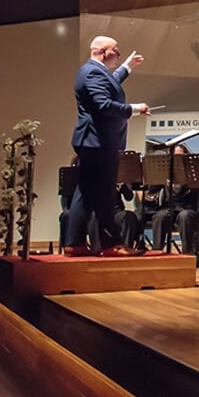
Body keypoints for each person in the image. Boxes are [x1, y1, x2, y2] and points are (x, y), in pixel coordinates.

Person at [67, 35, 149, 256]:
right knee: (104, 193)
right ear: (103, 51)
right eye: (116, 50)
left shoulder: (93, 71)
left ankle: (73, 242)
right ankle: (110, 244)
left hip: (92, 141)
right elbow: (103, 104)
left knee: (84, 191)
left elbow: (108, 83)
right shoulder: (92, 72)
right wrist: (135, 108)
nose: (119, 53)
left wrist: (126, 67)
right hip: (98, 141)